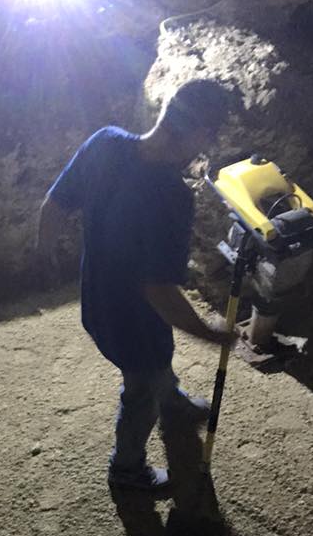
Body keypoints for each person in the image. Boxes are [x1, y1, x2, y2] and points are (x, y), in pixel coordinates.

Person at [37, 80, 234, 490]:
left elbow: (53, 206)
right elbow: (159, 291)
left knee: (157, 364)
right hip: (134, 323)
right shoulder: (171, 197)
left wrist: (47, 257)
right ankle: (126, 469)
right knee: (140, 390)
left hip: (97, 299)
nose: (207, 146)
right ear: (199, 134)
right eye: (209, 137)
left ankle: (172, 401)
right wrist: (210, 333)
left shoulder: (104, 142)